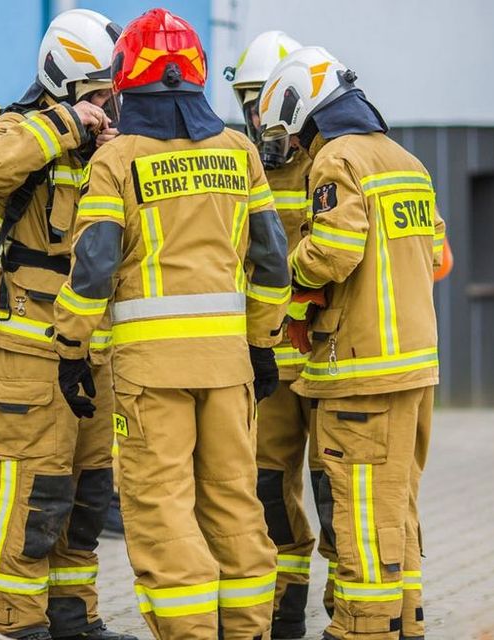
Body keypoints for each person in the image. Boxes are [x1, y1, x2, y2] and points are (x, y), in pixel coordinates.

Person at [51, 8, 289, 639]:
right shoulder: (238, 150)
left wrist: (70, 348)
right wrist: (263, 344)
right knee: (236, 506)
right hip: (229, 368)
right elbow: (272, 258)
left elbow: (94, 266)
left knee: (163, 512)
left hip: (150, 376)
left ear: (127, 77)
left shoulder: (118, 159)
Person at [259, 47, 445, 640]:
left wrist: (284, 277)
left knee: (360, 510)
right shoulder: (406, 161)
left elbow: (334, 252)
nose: (292, 143)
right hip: (415, 369)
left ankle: (363, 629)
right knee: (397, 507)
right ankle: (403, 622)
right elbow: (437, 255)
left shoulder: (337, 159)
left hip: (360, 371)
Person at [0, 9, 133, 640]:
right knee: (33, 490)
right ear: (63, 83)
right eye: (96, 92)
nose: (107, 102)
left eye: (109, 91)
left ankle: (73, 616)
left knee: (88, 494)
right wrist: (65, 125)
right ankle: (14, 617)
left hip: (93, 348)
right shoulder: (20, 127)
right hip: (25, 347)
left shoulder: (112, 143)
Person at [227, 29, 323, 638]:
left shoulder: (329, 162)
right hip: (268, 361)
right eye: (246, 99)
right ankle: (285, 608)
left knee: (342, 491)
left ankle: (362, 613)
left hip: (331, 361)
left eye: (264, 98)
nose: (256, 114)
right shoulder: (238, 165)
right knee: (266, 488)